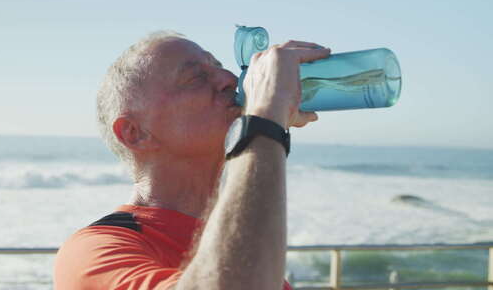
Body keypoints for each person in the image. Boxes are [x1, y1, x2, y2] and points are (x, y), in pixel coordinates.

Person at [54, 31, 330, 290]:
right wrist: (265, 119)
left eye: (220, 66)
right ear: (135, 133)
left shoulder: (244, 235)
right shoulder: (95, 249)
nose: (229, 79)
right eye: (196, 77)